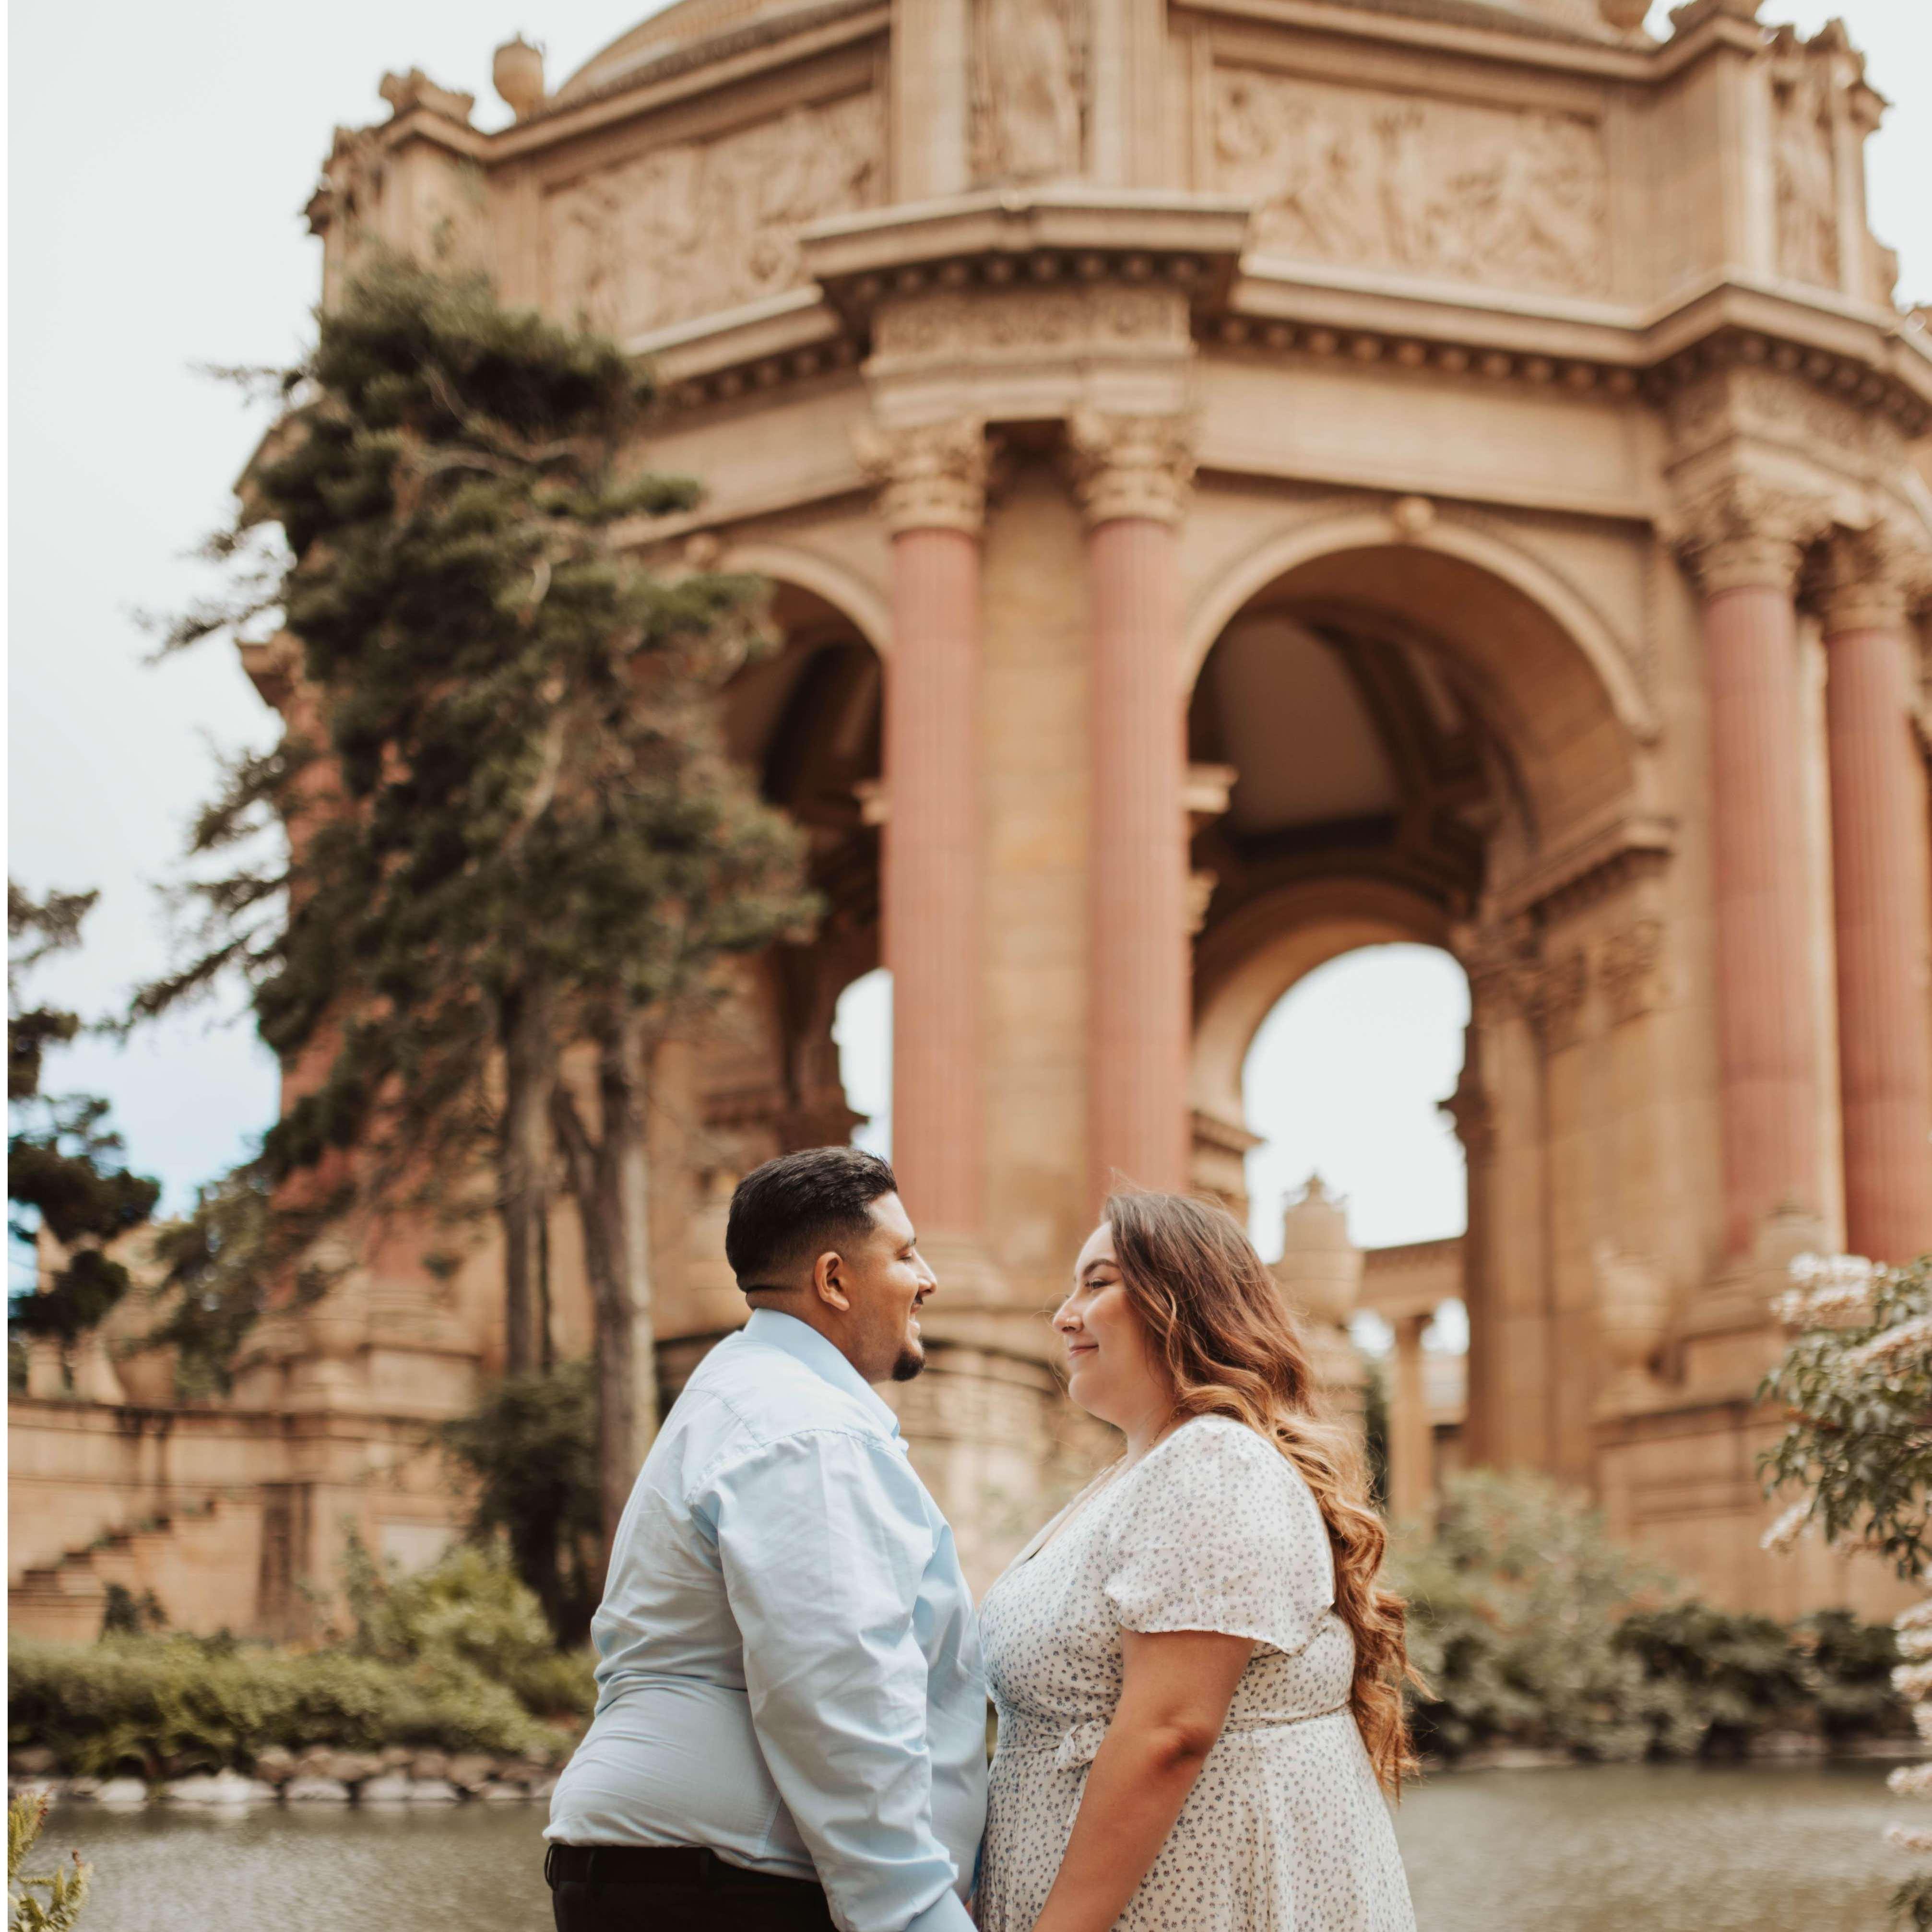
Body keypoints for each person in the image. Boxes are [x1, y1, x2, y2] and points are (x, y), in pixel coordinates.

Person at [545, 1147, 985, 1932]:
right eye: (905, 1254)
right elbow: (838, 1693)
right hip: (722, 1887)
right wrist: (918, 1916)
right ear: (833, 1280)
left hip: (678, 1873)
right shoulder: (807, 1430)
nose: (929, 1279)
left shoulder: (750, 1393)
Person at [976, 1190, 1418, 1932]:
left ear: (1181, 1302)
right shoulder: (1136, 1475)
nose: (1064, 1316)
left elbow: (1170, 1731)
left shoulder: (1212, 1463)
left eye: (1097, 1283)